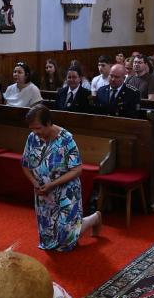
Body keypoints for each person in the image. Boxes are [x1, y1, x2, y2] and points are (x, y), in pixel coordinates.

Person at [21, 104, 101, 251]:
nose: (35, 132)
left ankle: (93, 219)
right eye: (32, 129)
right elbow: (25, 165)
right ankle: (78, 224)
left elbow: (77, 170)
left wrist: (52, 185)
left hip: (66, 190)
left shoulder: (66, 139)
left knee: (66, 239)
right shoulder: (32, 138)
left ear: (48, 123)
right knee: (48, 241)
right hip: (43, 192)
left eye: (38, 128)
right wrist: (34, 183)